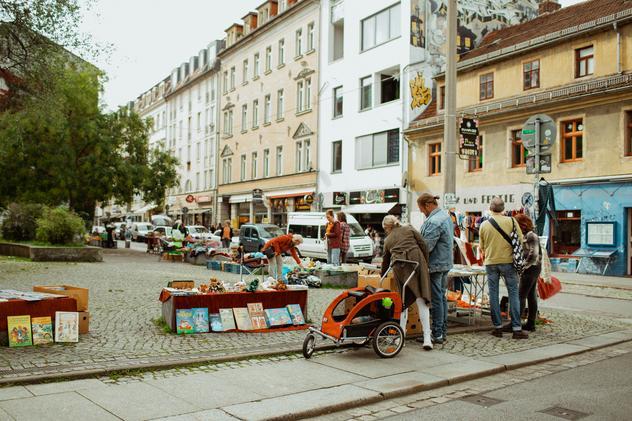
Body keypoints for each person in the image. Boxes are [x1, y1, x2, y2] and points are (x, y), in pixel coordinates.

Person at [381, 215, 434, 350]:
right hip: (417, 263)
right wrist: (425, 263)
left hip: (400, 268)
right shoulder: (409, 228)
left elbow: (385, 261)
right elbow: (423, 244)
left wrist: (382, 275)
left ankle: (401, 336)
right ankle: (427, 338)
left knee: (402, 303)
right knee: (422, 300)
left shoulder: (387, 240)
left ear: (387, 227)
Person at [479, 197, 528, 339]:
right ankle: (517, 328)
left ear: (490, 208)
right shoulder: (511, 221)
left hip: (491, 262)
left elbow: (482, 247)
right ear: (503, 209)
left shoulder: (484, 224)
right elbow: (519, 240)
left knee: (493, 293)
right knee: (513, 293)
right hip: (508, 262)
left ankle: (498, 327)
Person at [417, 193, 454, 345]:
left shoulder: (434, 221)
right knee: (442, 298)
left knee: (437, 299)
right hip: (444, 262)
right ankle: (442, 331)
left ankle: (437, 333)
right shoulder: (444, 216)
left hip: (436, 264)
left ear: (427, 205)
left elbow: (426, 247)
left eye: (421, 209)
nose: (421, 212)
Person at [514, 213, 542, 332]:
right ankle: (531, 323)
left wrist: (523, 266)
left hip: (531, 268)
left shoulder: (531, 235)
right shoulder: (525, 235)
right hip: (533, 268)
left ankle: (516, 323)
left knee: (521, 295)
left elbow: (534, 254)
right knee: (531, 295)